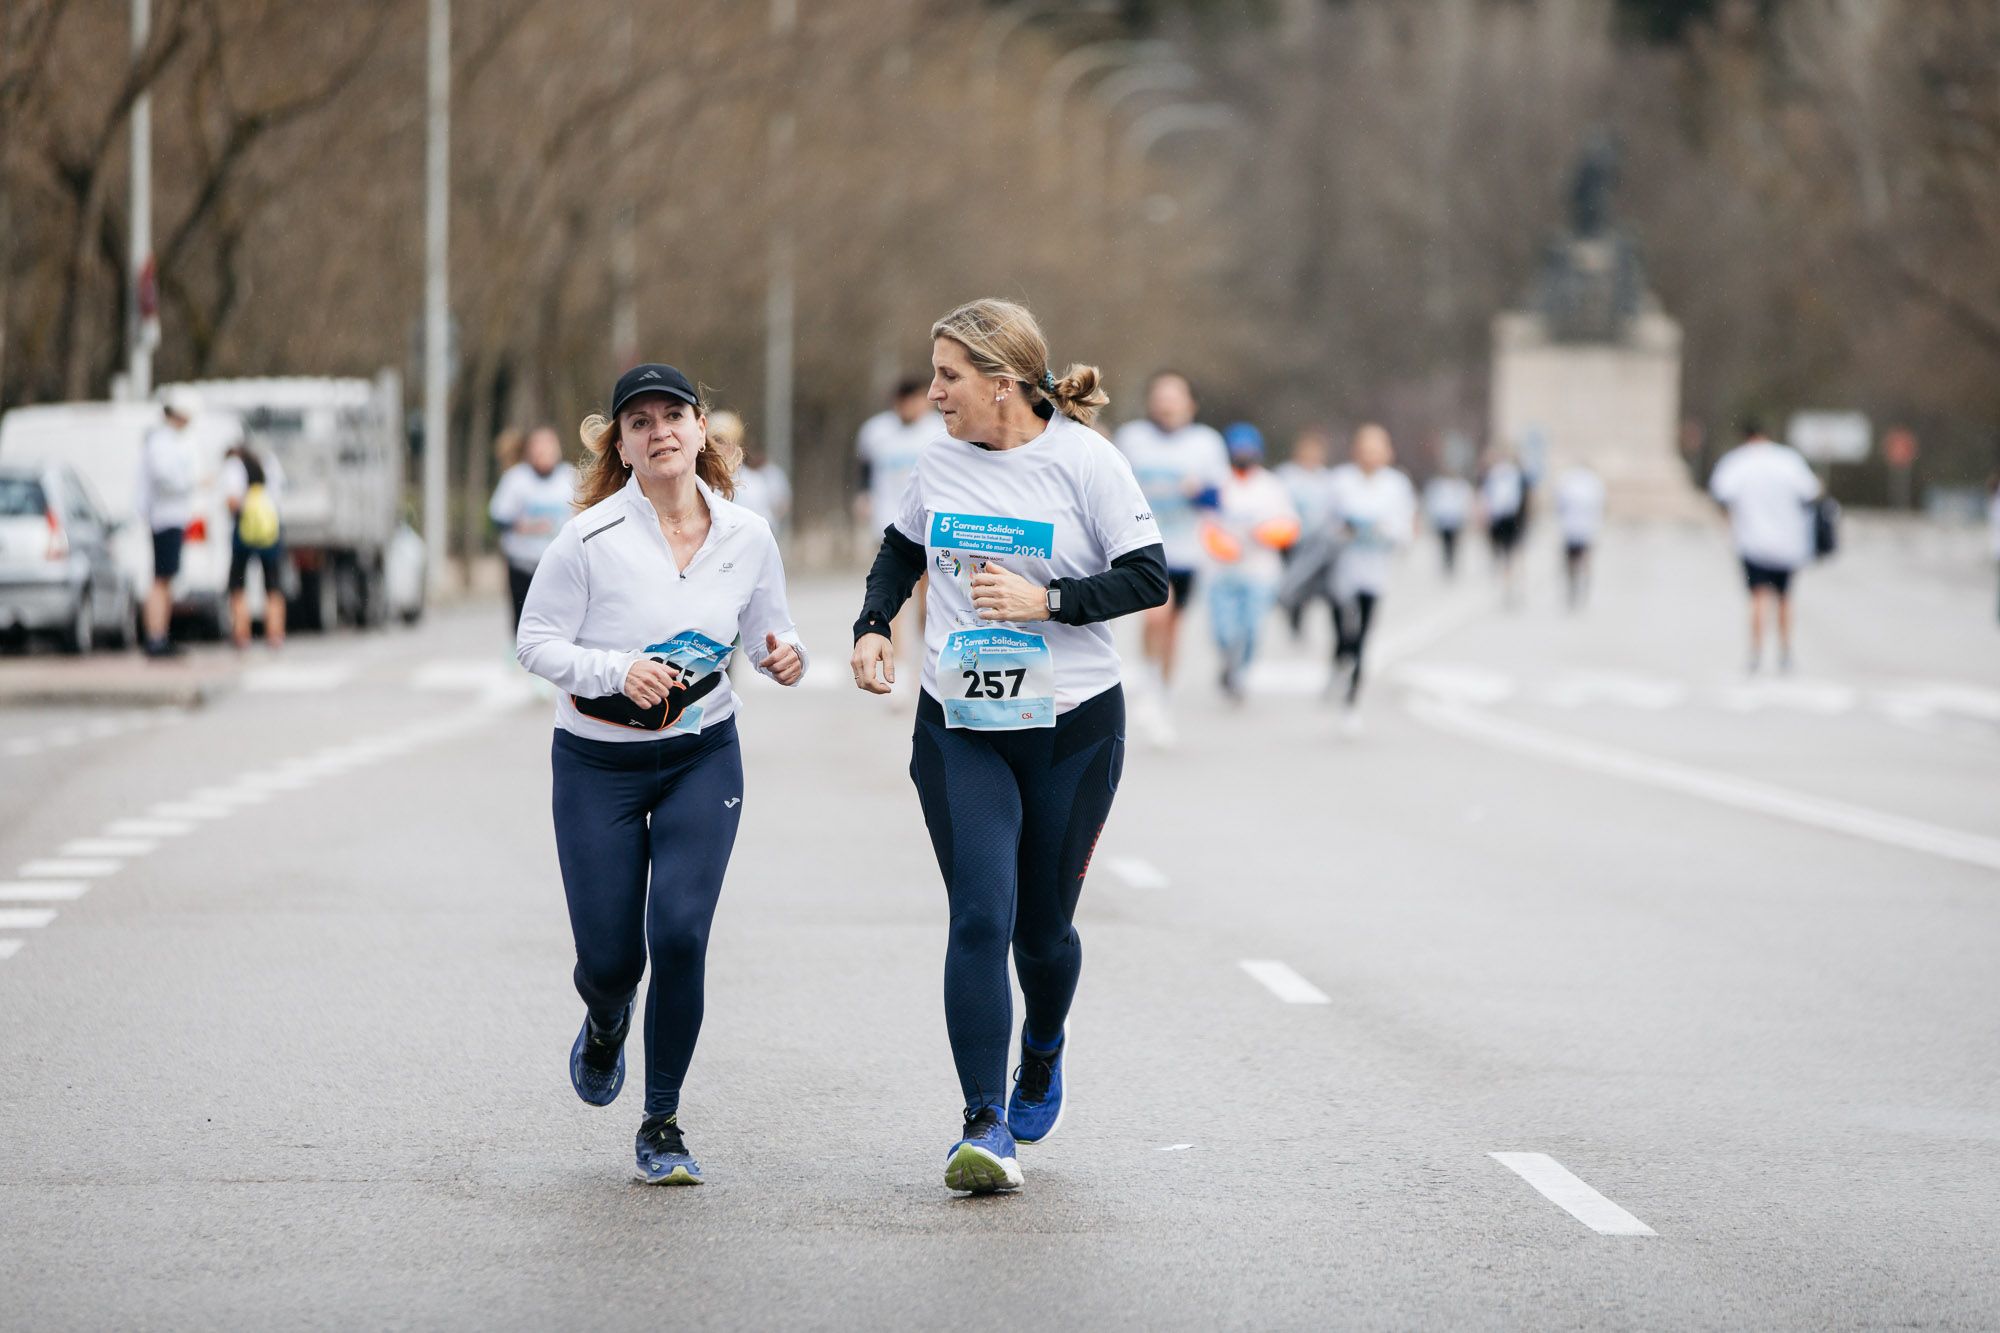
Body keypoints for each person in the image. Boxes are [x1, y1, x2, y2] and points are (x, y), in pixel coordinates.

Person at [851, 299, 1166, 1194]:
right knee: (981, 915)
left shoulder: (1087, 461)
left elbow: (1149, 574)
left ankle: (1044, 1042)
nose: (935, 391)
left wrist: (1049, 602)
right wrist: (875, 623)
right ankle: (985, 1121)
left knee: (1041, 931)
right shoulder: (938, 462)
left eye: (950, 375)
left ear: (1004, 383)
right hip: (962, 722)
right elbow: (899, 548)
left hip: (1071, 725)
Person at [516, 362, 807, 1186]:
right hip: (596, 764)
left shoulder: (748, 535)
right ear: (623, 444)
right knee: (611, 960)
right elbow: (534, 642)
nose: (660, 431)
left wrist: (785, 657)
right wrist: (616, 671)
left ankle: (663, 1120)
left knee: (678, 933)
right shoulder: (587, 539)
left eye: (672, 414)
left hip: (702, 754)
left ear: (700, 427)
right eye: (639, 422)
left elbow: (768, 631)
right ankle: (606, 1019)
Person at [1112, 370, 1229, 745]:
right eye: (1160, 396)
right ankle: (1148, 681)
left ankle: (1162, 693)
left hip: (1186, 550)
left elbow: (1218, 499)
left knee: (1173, 628)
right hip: (1145, 546)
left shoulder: (1207, 443)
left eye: (1174, 396)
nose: (1166, 403)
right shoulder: (1133, 438)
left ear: (1190, 404)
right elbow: (1110, 487)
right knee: (1156, 615)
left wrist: (1197, 493)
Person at [1708, 418, 1820, 672]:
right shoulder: (1789, 460)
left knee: (1758, 597)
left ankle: (1756, 651)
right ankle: (1785, 651)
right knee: (1785, 598)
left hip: (1753, 541)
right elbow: (1811, 492)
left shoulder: (1737, 462)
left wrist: (1730, 525)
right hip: (1789, 542)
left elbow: (1721, 495)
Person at [1327, 423, 1416, 729]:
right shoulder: (1340, 481)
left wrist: (1383, 530)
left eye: (1377, 450)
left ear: (1388, 453)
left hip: (1375, 567)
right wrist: (1344, 529)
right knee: (1341, 625)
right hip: (1343, 566)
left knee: (1363, 631)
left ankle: (1352, 692)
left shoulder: (1396, 485)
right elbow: (1326, 525)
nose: (1371, 456)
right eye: (1365, 450)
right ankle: (1339, 660)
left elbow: (1405, 529)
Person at [1204, 423, 1299, 700]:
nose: (1243, 455)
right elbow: (1204, 522)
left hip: (1260, 571)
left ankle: (1239, 673)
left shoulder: (1271, 486)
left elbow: (1290, 524)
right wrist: (1221, 545)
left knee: (1252, 629)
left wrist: (1269, 533)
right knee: (1223, 630)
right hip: (1221, 571)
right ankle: (1228, 660)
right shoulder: (1218, 484)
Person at [855, 379, 942, 670]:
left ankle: (929, 660)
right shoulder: (876, 431)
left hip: (930, 526)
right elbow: (865, 466)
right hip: (889, 523)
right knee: (893, 600)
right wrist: (863, 495)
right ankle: (900, 669)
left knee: (928, 602)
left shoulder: (939, 430)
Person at [489, 426, 577, 637]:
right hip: (523, 564)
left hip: (560, 564)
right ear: (529, 451)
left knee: (559, 618)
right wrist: (525, 526)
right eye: (539, 446)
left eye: (549, 446)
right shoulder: (516, 479)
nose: (544, 452)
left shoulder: (571, 477)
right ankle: (519, 652)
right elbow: (498, 517)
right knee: (523, 617)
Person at [134, 389, 199, 658]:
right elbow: (165, 477)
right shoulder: (161, 441)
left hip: (171, 516)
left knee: (166, 579)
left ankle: (162, 632)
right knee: (161, 579)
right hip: (164, 516)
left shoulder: (168, 440)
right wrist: (191, 482)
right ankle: (156, 635)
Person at [221, 437, 287, 649]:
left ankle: (242, 633)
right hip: (269, 531)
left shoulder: (234, 466)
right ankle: (275, 633)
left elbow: (232, 501)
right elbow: (278, 496)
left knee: (238, 584)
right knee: (273, 584)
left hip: (244, 531)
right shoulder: (270, 462)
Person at [1274, 425, 1337, 637]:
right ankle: (1292, 608)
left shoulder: (1327, 479)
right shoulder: (1286, 475)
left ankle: (1299, 609)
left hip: (1316, 541)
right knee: (1293, 579)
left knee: (1309, 581)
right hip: (1290, 539)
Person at [716, 411, 791, 541]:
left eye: (721, 440)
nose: (716, 447)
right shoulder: (696, 483)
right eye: (713, 440)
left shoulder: (753, 485)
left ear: (736, 443)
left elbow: (765, 530)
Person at [1553, 462, 1606, 611]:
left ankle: (1574, 586)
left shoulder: (1567, 481)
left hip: (1570, 528)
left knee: (1571, 560)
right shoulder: (1594, 483)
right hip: (1586, 528)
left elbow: (1559, 505)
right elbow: (1600, 505)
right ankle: (1583, 587)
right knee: (1585, 559)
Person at [1480, 447, 1527, 606]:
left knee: (1506, 553)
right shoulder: (1506, 475)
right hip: (1506, 518)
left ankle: (1510, 581)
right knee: (1509, 553)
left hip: (1505, 518)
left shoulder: (1498, 475)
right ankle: (1510, 581)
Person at [1423, 471, 1473, 576]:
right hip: (1443, 519)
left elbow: (1465, 503)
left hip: (1455, 520)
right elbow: (1433, 502)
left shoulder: (1461, 487)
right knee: (1445, 542)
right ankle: (1446, 561)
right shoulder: (1438, 486)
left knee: (1453, 543)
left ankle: (1451, 562)